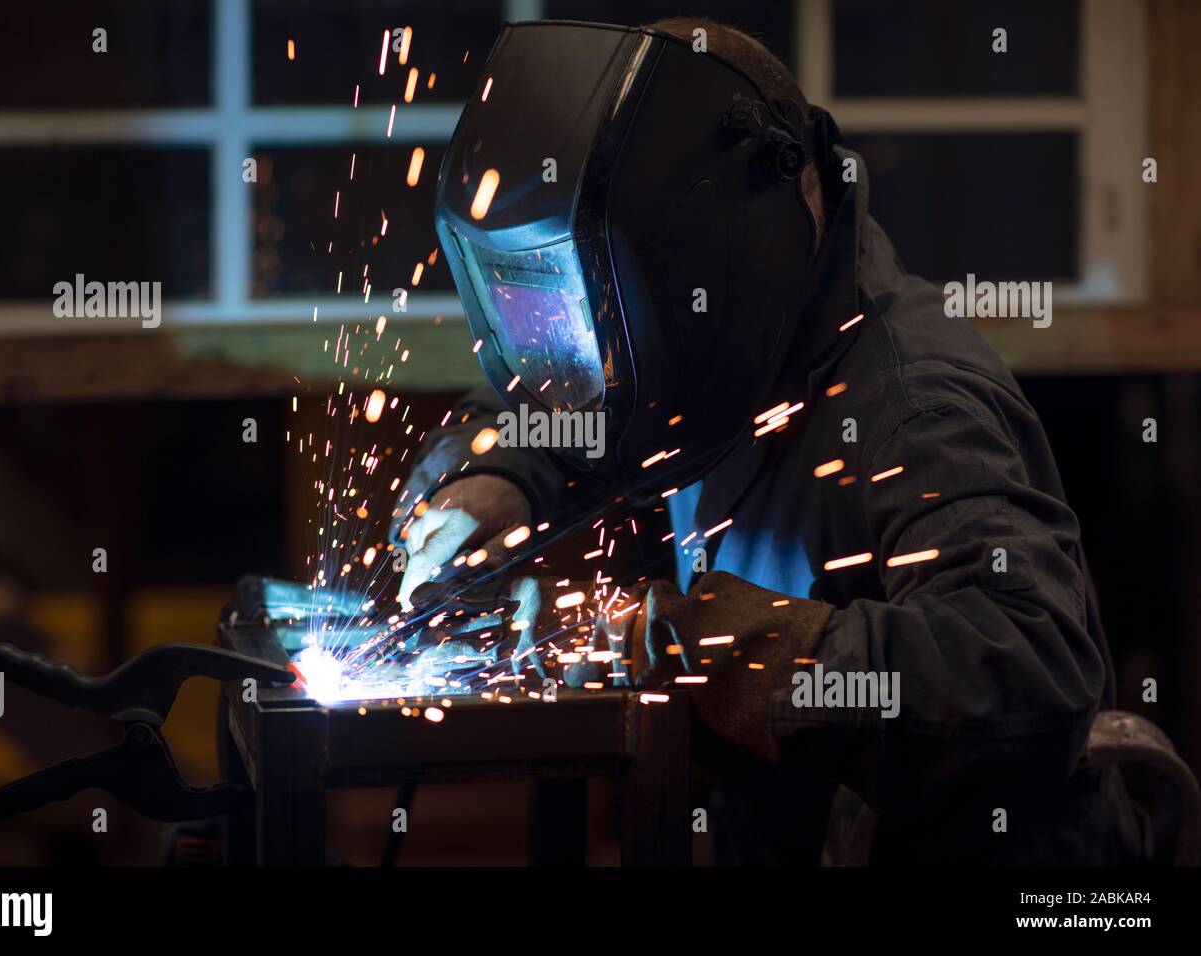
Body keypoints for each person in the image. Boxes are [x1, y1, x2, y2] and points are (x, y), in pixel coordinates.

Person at [390, 17, 1146, 864]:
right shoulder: (715, 347)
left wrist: (714, 644)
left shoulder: (917, 407)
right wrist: (497, 481)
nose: (599, 369)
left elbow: (1026, 674)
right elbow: (599, 403)